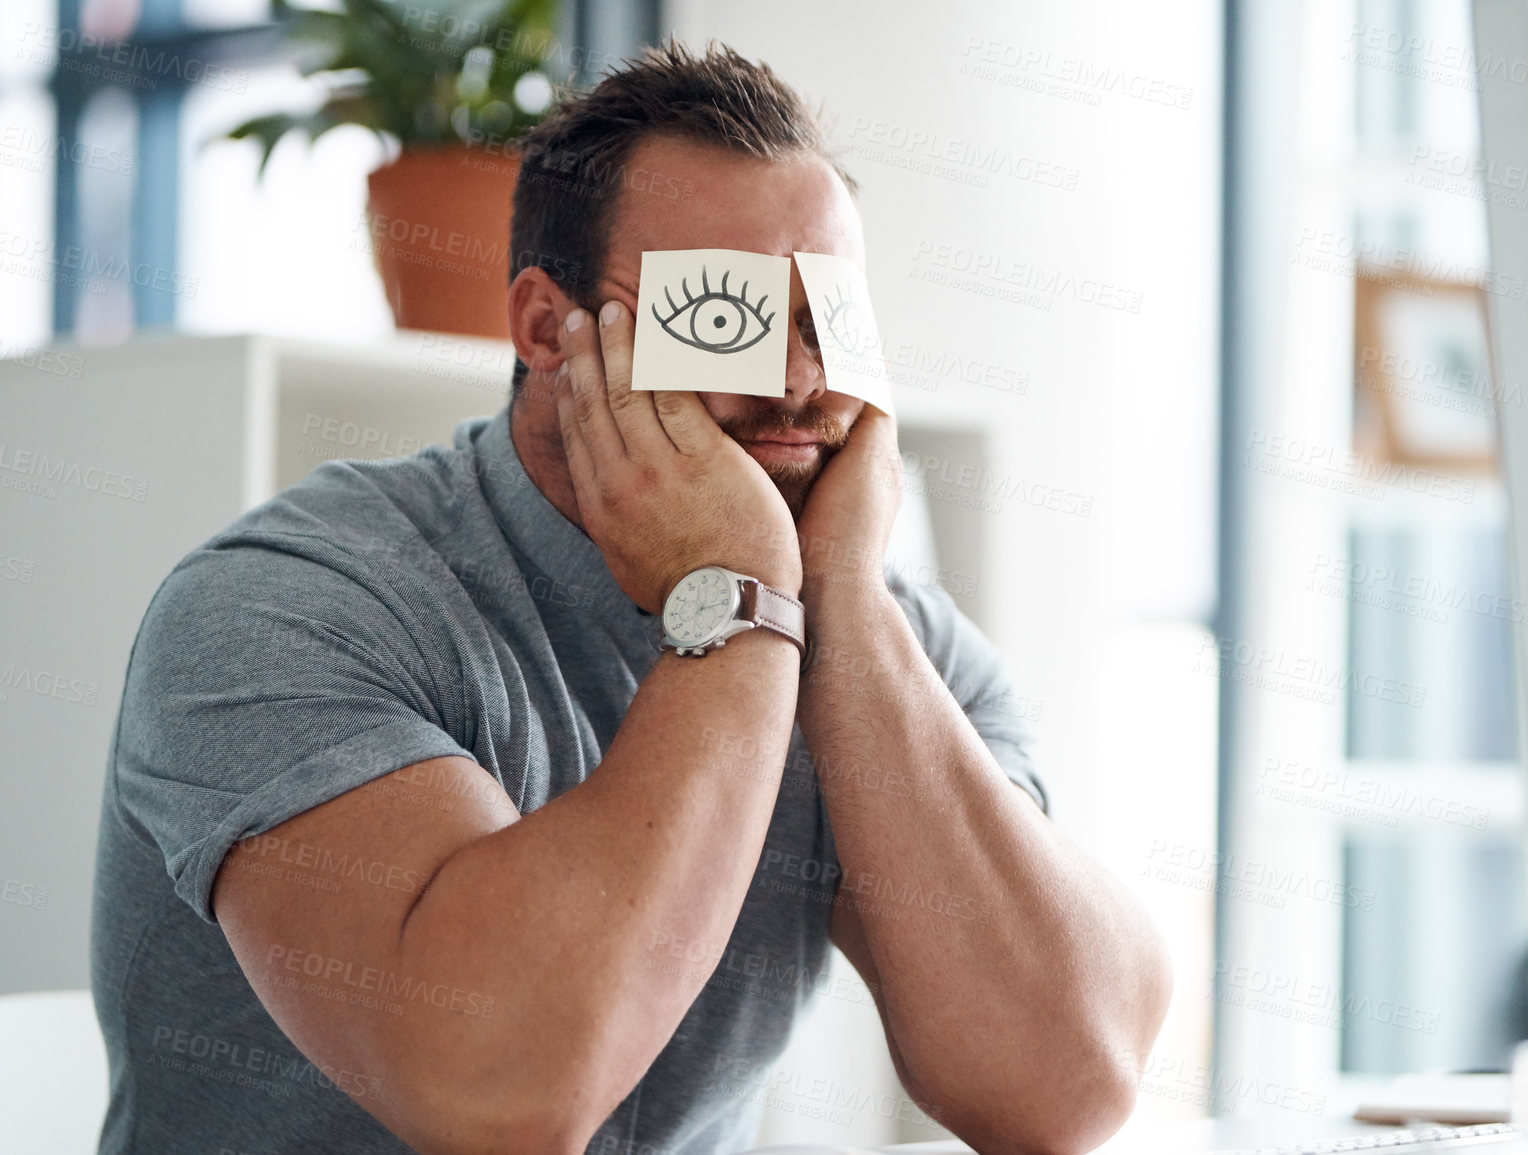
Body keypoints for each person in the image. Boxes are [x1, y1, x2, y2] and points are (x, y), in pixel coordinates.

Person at [91, 40, 1172, 1155]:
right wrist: (741, 605)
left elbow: (1064, 1089)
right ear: (547, 330)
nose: (801, 379)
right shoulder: (287, 609)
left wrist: (841, 603)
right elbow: (501, 1095)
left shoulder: (879, 628)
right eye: (725, 317)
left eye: (829, 320)